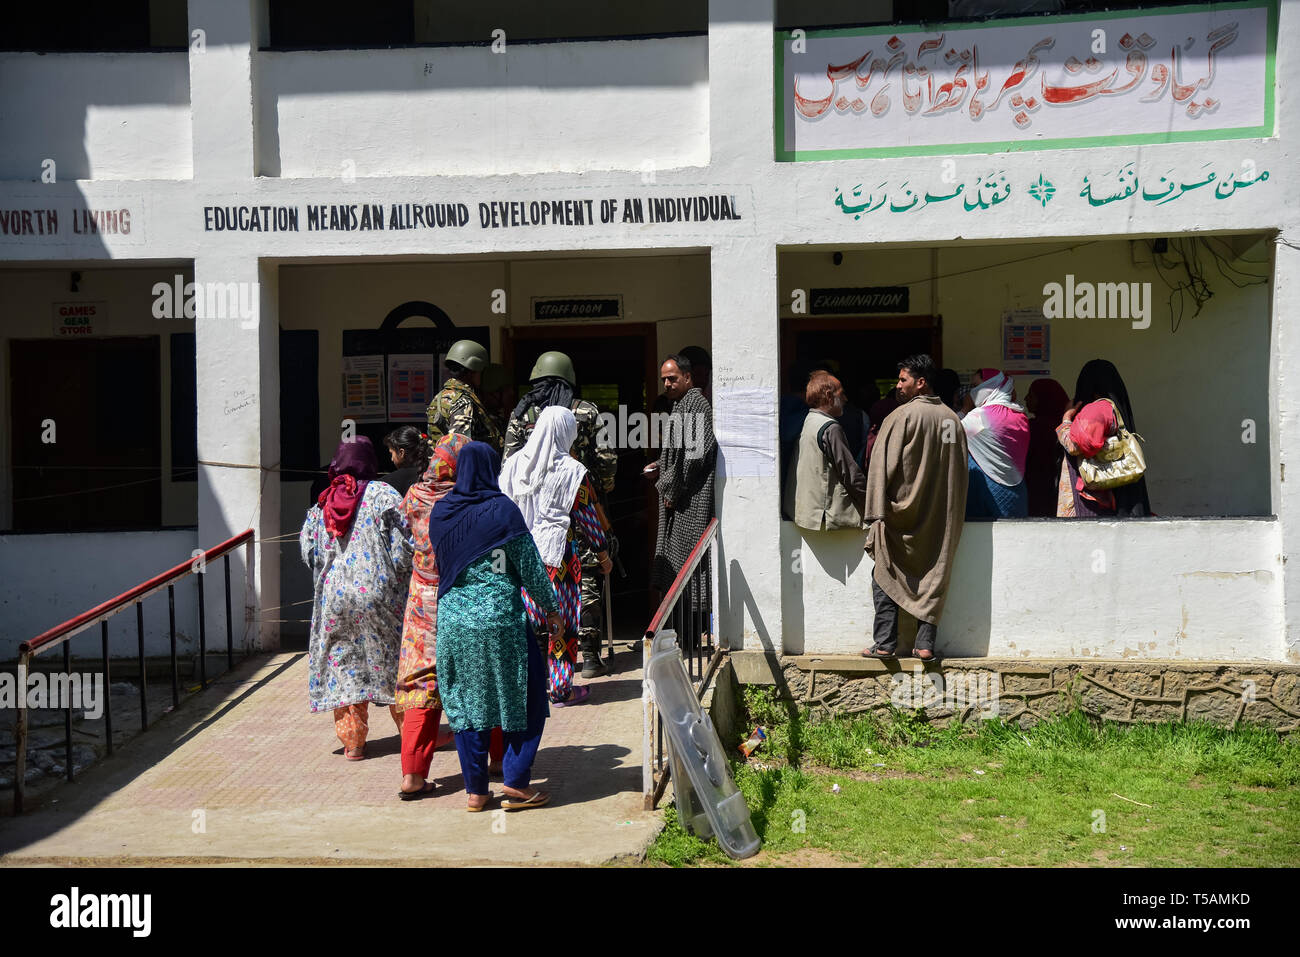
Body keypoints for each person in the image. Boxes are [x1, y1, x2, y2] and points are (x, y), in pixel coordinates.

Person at [428, 442, 564, 812]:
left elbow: (447, 563)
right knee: (526, 696)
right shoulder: (503, 510)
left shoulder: (441, 513)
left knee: (468, 703)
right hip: (501, 621)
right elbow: (528, 565)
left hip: (455, 621)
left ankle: (476, 792)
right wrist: (552, 609)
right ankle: (517, 782)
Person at [503, 351, 618, 677]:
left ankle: (540, 658)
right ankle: (590, 657)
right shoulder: (586, 412)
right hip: (576, 502)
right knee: (587, 579)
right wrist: (599, 489)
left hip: (531, 515)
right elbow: (607, 461)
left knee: (535, 586)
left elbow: (508, 461)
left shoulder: (521, 413)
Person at [300, 436, 413, 759]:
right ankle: (412, 737)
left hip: (334, 600)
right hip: (380, 596)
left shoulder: (323, 502)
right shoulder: (383, 496)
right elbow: (403, 547)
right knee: (394, 664)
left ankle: (353, 744)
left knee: (345, 669)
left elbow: (309, 552)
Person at [862, 355, 968, 663]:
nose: (898, 386)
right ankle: (925, 645)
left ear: (920, 382)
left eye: (902, 380)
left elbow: (880, 467)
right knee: (934, 577)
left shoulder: (901, 417)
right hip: (940, 519)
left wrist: (875, 513)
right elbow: (960, 474)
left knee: (884, 574)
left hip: (897, 518)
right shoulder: (952, 420)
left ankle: (884, 643)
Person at [393, 434, 469, 800]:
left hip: (422, 600)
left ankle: (412, 776)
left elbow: (405, 538)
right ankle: (496, 762)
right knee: (477, 675)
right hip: (462, 595)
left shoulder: (414, 496)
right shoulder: (468, 499)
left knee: (422, 685)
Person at [650, 354, 717, 616]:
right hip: (680, 499)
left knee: (689, 565)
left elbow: (695, 455)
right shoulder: (680, 405)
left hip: (691, 501)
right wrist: (660, 466)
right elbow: (679, 454)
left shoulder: (697, 404)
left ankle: (695, 635)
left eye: (672, 378)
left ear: (688, 378)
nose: (666, 384)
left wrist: (672, 487)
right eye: (664, 379)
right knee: (677, 567)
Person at [1056, 359, 1151, 518]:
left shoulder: (1098, 409)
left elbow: (1076, 445)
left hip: (1090, 503)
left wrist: (1066, 420)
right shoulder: (1112, 407)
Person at [785, 370, 866, 530]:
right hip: (824, 513)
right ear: (829, 396)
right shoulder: (831, 428)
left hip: (805, 512)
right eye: (841, 394)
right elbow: (850, 475)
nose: (845, 399)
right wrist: (873, 506)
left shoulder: (809, 420)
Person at [962, 368, 1031, 518]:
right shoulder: (1020, 415)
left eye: (975, 386)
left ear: (991, 387)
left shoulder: (979, 417)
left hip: (986, 490)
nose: (972, 392)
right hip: (1016, 493)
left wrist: (964, 410)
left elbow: (947, 436)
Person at [426, 339, 502, 451]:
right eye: (481, 371)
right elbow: (461, 450)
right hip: (459, 468)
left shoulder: (440, 397)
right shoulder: (462, 401)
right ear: (473, 370)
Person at [1023, 378, 1070, 517]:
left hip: (1036, 495)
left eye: (1031, 395)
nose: (1026, 399)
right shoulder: (1067, 426)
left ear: (1044, 399)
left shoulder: (1033, 428)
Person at [382, 425, 431, 498]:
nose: (392, 459)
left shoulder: (389, 482)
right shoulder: (435, 473)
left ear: (401, 452)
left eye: (391, 453)